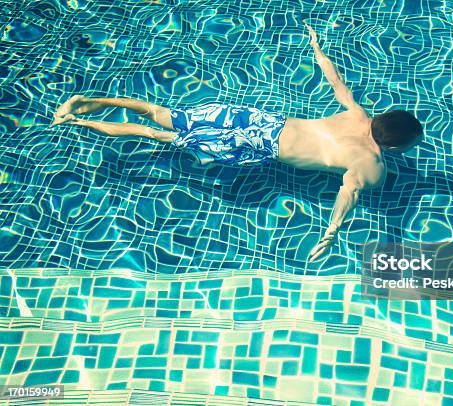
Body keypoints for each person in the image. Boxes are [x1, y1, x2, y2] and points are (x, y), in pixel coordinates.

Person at [51, 23, 424, 262]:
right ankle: (78, 121)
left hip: (256, 119)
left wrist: (316, 47)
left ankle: (82, 102)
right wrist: (331, 232)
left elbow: (335, 81)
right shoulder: (371, 165)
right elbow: (349, 194)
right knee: (160, 136)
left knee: (159, 113)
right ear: (392, 147)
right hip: (254, 147)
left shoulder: (359, 115)